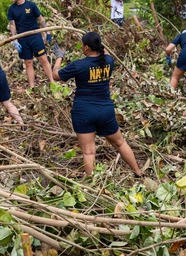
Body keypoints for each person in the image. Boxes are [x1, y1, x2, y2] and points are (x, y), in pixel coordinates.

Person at [57, 31, 142, 176]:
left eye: (83, 45)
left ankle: (93, 185)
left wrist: (59, 57)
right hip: (105, 111)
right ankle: (138, 172)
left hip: (84, 112)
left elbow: (55, 75)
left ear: (86, 48)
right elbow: (105, 52)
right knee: (120, 143)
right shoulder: (108, 61)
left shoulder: (79, 65)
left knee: (89, 152)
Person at [6, 0, 55, 88]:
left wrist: (48, 32)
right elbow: (12, 26)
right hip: (23, 39)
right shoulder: (11, 9)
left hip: (35, 37)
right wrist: (15, 40)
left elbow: (40, 19)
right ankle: (32, 87)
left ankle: (52, 82)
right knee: (28, 62)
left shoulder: (31, 5)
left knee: (43, 59)